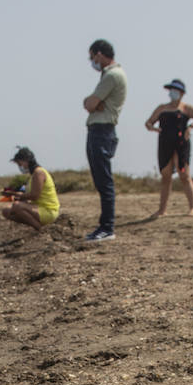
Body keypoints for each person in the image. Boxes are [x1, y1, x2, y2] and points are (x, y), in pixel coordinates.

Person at [83, 39, 126, 241]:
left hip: (102, 130)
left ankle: (107, 227)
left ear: (99, 54)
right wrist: (93, 104)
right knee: (100, 180)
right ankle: (104, 226)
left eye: (92, 57)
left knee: (104, 180)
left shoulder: (112, 75)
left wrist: (95, 104)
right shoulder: (108, 76)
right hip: (99, 129)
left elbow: (91, 103)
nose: (92, 62)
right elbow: (91, 104)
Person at [144, 78, 193, 216]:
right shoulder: (162, 108)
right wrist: (153, 129)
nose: (173, 92)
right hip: (165, 144)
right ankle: (162, 209)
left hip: (181, 144)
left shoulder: (186, 108)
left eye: (176, 90)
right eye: (171, 90)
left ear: (182, 93)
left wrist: (191, 127)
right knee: (166, 176)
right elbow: (148, 122)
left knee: (184, 175)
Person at [1, 146, 60, 231]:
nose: (20, 167)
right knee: (6, 211)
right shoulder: (32, 176)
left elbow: (35, 196)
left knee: (17, 206)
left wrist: (14, 194)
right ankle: (35, 224)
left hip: (48, 211)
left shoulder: (38, 173)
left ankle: (40, 229)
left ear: (26, 161)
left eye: (20, 164)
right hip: (38, 207)